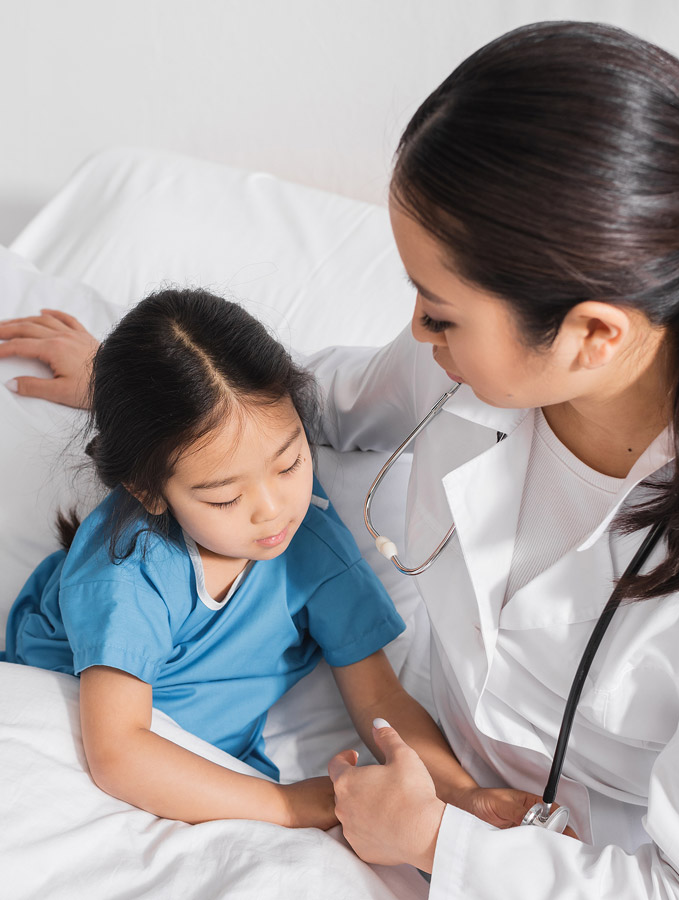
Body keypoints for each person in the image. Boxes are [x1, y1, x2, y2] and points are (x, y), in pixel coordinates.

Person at [2, 20, 679, 900]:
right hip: (445, 779)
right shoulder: (468, 373)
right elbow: (324, 401)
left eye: (440, 312)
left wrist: (440, 838)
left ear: (592, 334)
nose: (420, 335)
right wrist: (144, 398)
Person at [1, 287, 539, 833]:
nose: (272, 511)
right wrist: (290, 804)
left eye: (289, 464)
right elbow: (118, 754)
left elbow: (378, 695)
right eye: (225, 499)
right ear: (149, 491)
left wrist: (461, 795)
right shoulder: (128, 569)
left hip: (218, 764)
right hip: (82, 739)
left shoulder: (308, 541)